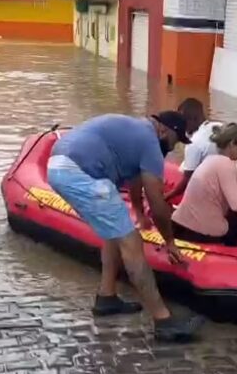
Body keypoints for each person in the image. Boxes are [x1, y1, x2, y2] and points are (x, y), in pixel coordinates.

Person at [47, 112, 203, 341]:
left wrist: (139, 213)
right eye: (174, 140)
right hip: (79, 173)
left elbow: (135, 182)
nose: (172, 147)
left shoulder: (133, 130)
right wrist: (170, 242)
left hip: (60, 166)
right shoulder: (150, 142)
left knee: (114, 232)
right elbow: (158, 203)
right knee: (132, 243)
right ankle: (164, 321)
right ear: (163, 130)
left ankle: (106, 297)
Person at [165, 98, 222, 201]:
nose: (181, 127)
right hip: (224, 181)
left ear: (193, 119)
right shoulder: (219, 126)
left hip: (207, 192)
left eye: (183, 122)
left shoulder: (194, 143)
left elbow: (188, 180)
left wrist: (168, 196)